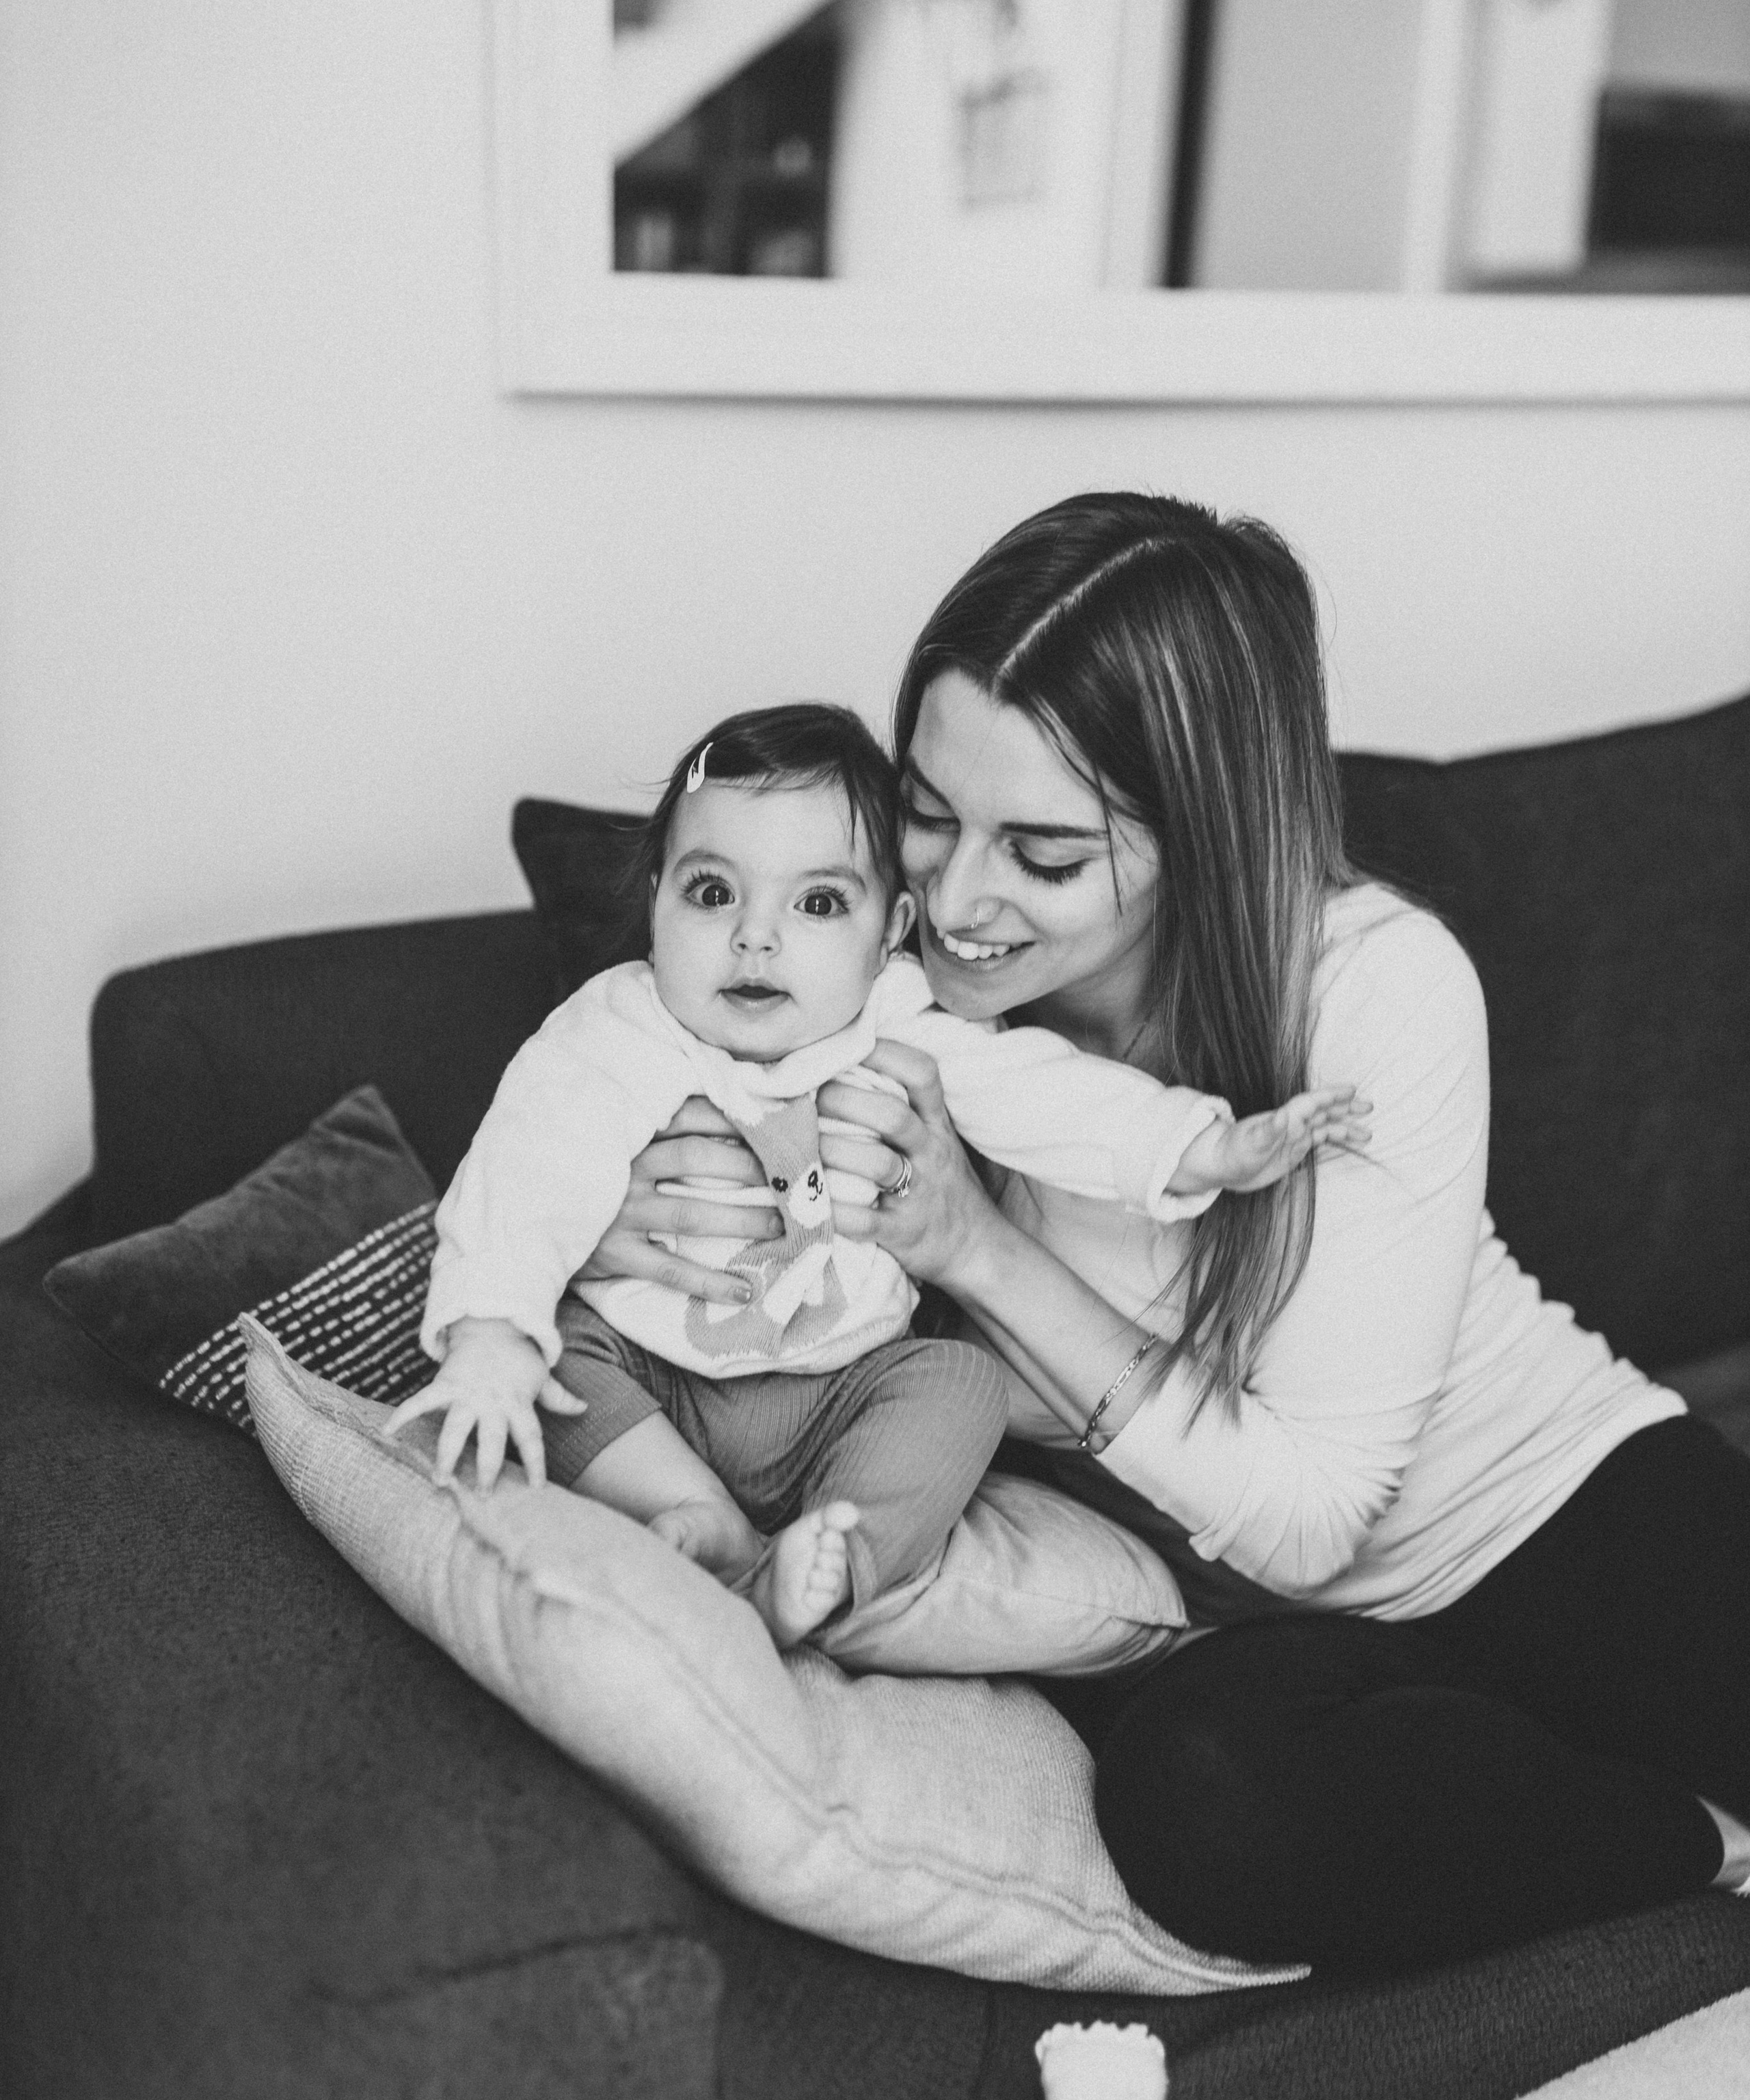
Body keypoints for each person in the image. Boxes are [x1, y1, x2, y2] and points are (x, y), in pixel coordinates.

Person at [576, 492, 1750, 1976]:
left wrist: (980, 1252)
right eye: (929, 814)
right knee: (1202, 1802)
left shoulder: (1373, 988)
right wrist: (632, 1215)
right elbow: (655, 1123)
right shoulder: (869, 972)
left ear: (1196, 834)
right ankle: (1686, 1842)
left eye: (1044, 854)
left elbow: (1321, 1514)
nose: (952, 899)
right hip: (1250, 1626)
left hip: (1556, 1521)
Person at [394, 701, 1360, 1652]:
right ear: (655, 896)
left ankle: (828, 1563)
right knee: (554, 1347)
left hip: (839, 1392)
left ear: (889, 927)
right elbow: (528, 1163)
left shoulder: (895, 1021)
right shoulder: (622, 1030)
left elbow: (1049, 1099)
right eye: (711, 892)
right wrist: (487, 1335)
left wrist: (1200, 1146)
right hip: (660, 1382)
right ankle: (693, 1518)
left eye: (816, 904)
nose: (755, 937)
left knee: (962, 1386)